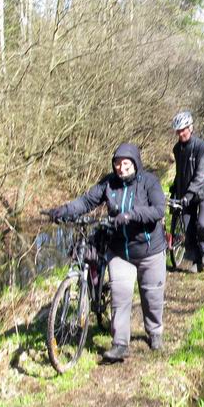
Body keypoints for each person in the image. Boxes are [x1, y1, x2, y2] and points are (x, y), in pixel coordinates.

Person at [46, 143, 166, 363]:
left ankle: (154, 331)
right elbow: (86, 201)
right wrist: (63, 210)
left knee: (152, 295)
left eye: (126, 163)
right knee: (120, 296)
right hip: (120, 250)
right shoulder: (108, 183)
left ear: (135, 164)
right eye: (117, 164)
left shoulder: (149, 182)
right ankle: (120, 344)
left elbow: (159, 209)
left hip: (149, 250)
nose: (121, 168)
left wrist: (131, 215)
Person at [171, 111, 204, 273]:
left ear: (191, 128)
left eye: (184, 129)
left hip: (203, 193)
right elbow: (180, 172)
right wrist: (176, 188)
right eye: (178, 131)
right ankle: (196, 259)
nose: (181, 133)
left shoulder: (201, 147)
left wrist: (190, 193)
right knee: (188, 230)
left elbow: (202, 174)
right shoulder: (177, 149)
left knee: (203, 223)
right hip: (185, 195)